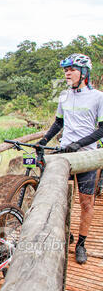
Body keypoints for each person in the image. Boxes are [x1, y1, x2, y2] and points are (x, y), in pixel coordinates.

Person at [39, 53, 103, 264]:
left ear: (84, 73)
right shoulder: (64, 96)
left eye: (72, 70)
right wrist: (45, 139)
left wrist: (80, 143)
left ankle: (81, 243)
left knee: (86, 202)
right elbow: (59, 122)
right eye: (65, 70)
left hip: (86, 156)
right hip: (64, 154)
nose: (67, 73)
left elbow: (101, 129)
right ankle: (68, 234)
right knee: (62, 199)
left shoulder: (98, 97)